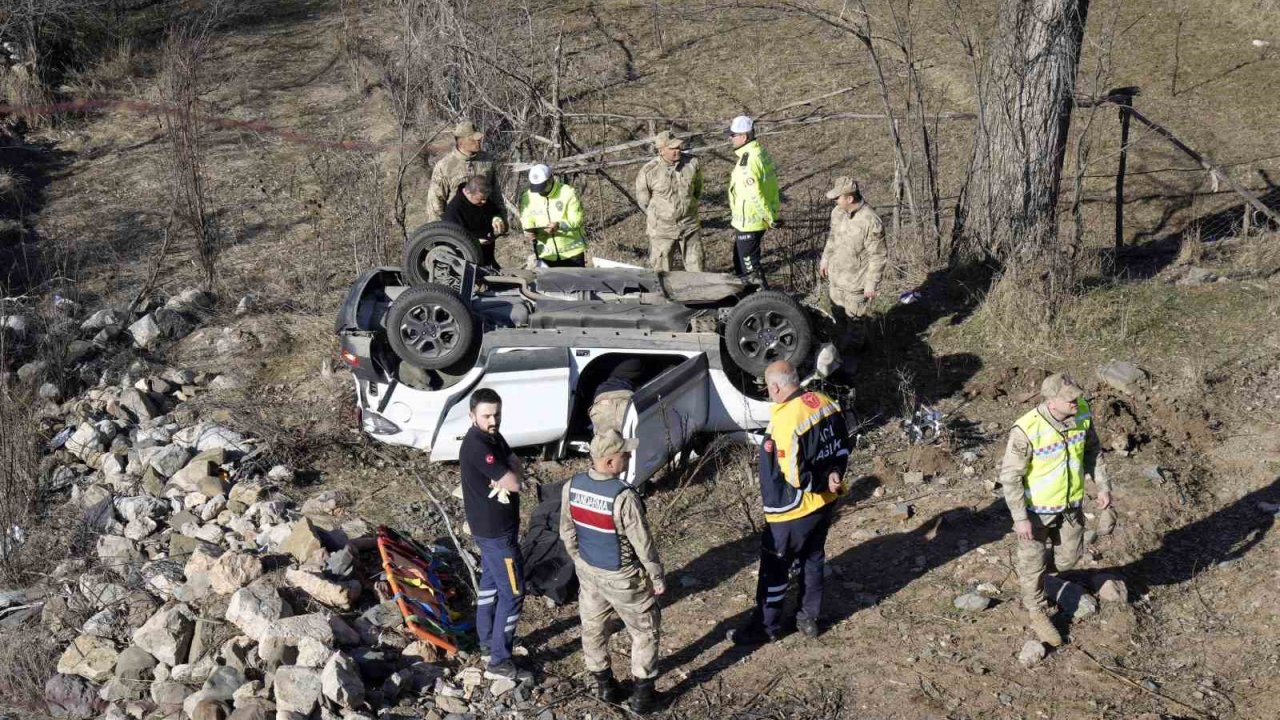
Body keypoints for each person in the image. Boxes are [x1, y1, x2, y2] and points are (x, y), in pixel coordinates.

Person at [730, 360, 849, 645]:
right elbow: (843, 443)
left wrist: (817, 482)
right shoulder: (824, 401)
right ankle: (808, 618)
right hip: (825, 502)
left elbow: (794, 475)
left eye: (767, 388)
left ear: (775, 386)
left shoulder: (787, 418)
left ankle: (765, 627)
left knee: (775, 567)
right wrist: (834, 474)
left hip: (791, 510)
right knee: (812, 558)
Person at [999, 373, 1113, 648]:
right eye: (1069, 397)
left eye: (1077, 394)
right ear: (1051, 401)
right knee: (1032, 561)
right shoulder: (1027, 428)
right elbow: (1010, 476)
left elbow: (1093, 452)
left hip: (1071, 508)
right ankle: (1036, 610)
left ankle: (1034, 574)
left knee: (1067, 561)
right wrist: (1019, 518)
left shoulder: (1082, 414)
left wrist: (1103, 486)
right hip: (1036, 512)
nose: (1077, 400)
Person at [559, 430, 665, 714]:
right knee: (645, 630)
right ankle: (643, 696)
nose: (629, 458)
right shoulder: (623, 496)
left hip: (590, 572)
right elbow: (643, 543)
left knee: (592, 627)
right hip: (622, 576)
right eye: (624, 455)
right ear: (608, 461)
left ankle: (604, 685)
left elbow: (566, 531)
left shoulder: (572, 486)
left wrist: (579, 561)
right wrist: (656, 577)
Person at [458, 388, 528, 679]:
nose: (493, 420)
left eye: (496, 414)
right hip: (496, 534)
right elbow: (514, 482)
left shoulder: (493, 436)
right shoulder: (478, 445)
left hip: (492, 531)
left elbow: (515, 464)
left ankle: (487, 642)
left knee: (489, 586)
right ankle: (499, 661)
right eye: (486, 415)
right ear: (472, 415)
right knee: (513, 592)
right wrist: (512, 473)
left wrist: (512, 471)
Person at [819, 176, 887, 355]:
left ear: (849, 198)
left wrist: (871, 284)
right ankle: (841, 349)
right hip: (836, 279)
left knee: (856, 324)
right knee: (839, 318)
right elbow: (832, 238)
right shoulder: (837, 213)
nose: (834, 201)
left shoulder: (870, 221)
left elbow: (878, 256)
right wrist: (825, 258)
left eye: (837, 197)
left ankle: (856, 358)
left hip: (856, 284)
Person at [635, 130, 704, 271]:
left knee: (697, 269)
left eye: (678, 147)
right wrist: (663, 215)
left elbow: (697, 190)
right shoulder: (649, 172)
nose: (677, 150)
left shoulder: (692, 164)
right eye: (672, 148)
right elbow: (644, 202)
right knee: (662, 273)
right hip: (662, 230)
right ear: (661, 150)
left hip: (689, 225)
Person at [726, 115, 780, 288]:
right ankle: (749, 301)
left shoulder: (747, 161)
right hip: (753, 220)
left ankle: (763, 303)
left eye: (733, 135)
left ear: (743, 136)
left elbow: (754, 194)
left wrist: (768, 217)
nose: (730, 138)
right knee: (740, 262)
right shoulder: (760, 152)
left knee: (750, 269)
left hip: (751, 222)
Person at [426, 120, 506, 226]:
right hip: (457, 230)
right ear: (461, 142)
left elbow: (495, 193)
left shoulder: (487, 161)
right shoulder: (445, 166)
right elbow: (435, 203)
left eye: (478, 138)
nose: (478, 141)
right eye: (473, 139)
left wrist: (501, 217)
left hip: (484, 226)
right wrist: (439, 233)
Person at [518, 164, 588, 268]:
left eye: (542, 187)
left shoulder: (568, 192)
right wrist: (528, 231)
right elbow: (526, 219)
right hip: (545, 254)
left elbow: (577, 220)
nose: (540, 191)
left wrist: (559, 225)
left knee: (576, 284)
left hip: (572, 253)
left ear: (551, 179)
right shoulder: (528, 196)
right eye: (537, 188)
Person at [444, 174, 506, 268]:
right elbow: (452, 241)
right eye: (480, 200)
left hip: (488, 258)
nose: (484, 202)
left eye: (485, 199)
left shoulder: (481, 199)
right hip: (467, 263)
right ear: (468, 192)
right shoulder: (454, 210)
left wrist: (496, 218)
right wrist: (476, 242)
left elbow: (494, 210)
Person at [587, 356, 649, 438]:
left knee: (604, 446)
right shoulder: (636, 365)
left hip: (602, 404)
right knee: (627, 445)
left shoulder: (604, 382)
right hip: (624, 403)